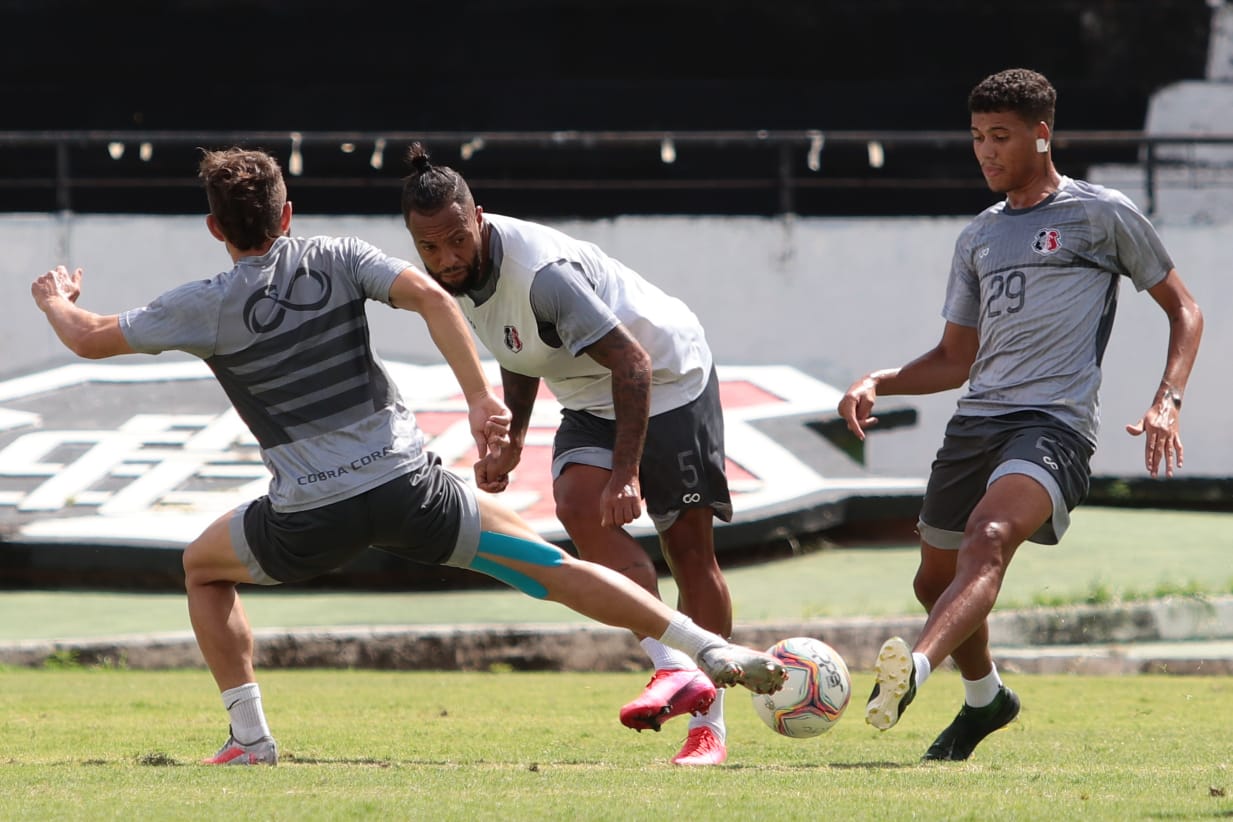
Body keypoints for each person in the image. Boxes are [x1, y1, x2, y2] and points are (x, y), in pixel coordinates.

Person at [29, 147, 787, 767]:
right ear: (287, 215)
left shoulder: (201, 304)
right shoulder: (339, 254)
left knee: (203, 567)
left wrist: (55, 298)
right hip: (409, 490)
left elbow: (89, 336)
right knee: (547, 567)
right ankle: (702, 649)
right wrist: (480, 402)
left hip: (306, 516)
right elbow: (429, 297)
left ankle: (250, 739)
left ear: (213, 228)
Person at [838, 68, 1203, 761]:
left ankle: (911, 672)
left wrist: (1167, 399)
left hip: (1052, 424)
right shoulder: (977, 237)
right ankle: (985, 700)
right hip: (974, 422)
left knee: (990, 535)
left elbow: (1184, 309)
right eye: (976, 137)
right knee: (931, 581)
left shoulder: (1101, 214)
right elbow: (953, 358)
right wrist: (876, 381)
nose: (985, 152)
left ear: (1041, 135)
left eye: (999, 137)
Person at [399, 143, 737, 766]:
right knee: (580, 505)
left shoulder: (544, 273)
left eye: (456, 241)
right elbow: (519, 349)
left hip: (666, 378)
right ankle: (672, 665)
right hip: (588, 393)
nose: (446, 259)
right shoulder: (457, 279)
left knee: (688, 551)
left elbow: (632, 360)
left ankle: (709, 727)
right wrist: (515, 441)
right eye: (429, 249)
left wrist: (628, 475)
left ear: (480, 218)